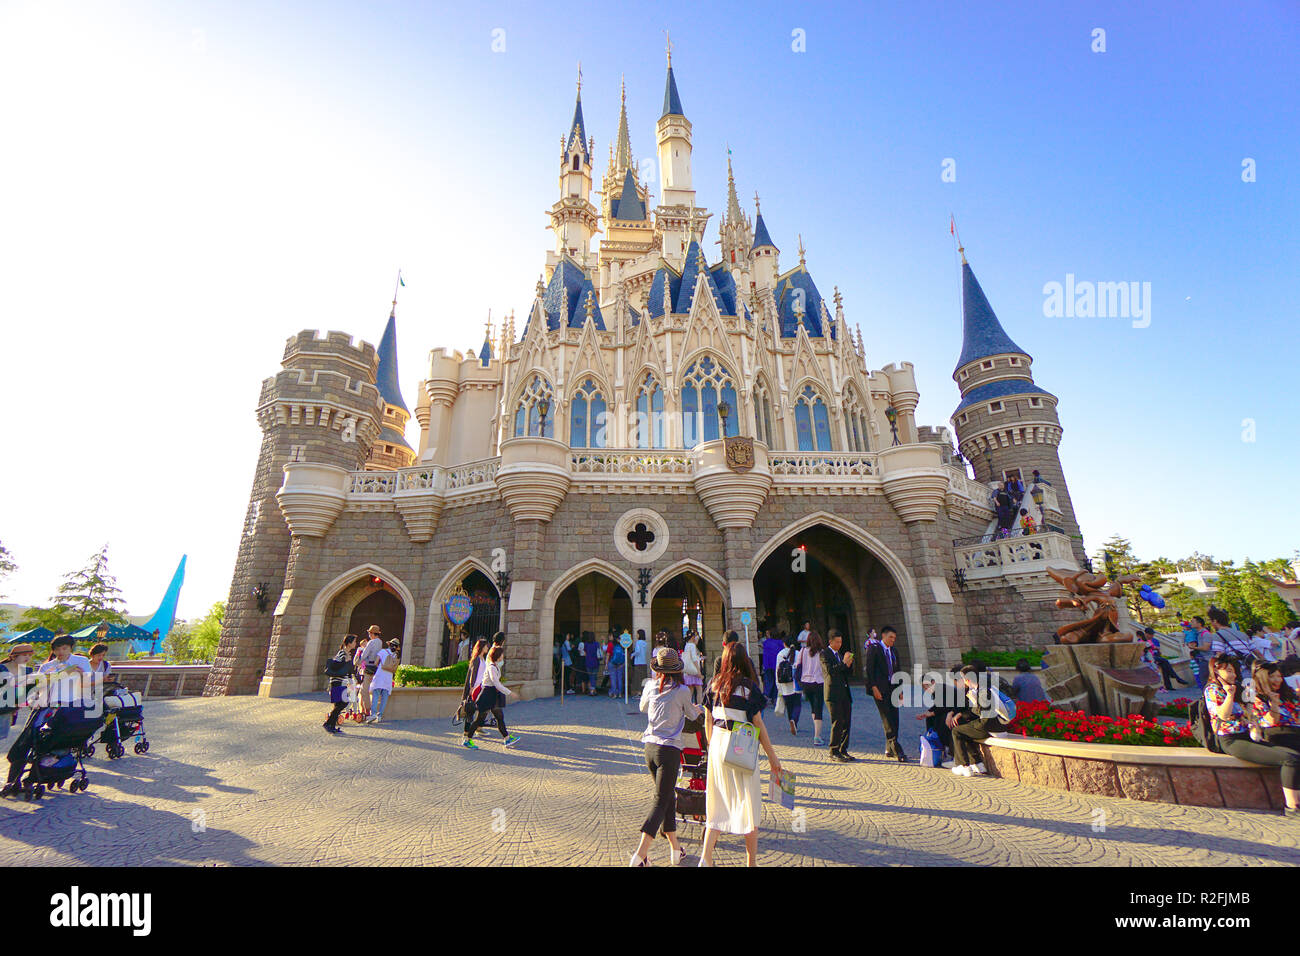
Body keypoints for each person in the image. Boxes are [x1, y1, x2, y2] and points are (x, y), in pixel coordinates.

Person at [698, 644, 783, 867]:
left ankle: (706, 858)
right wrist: (773, 758)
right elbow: (759, 724)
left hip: (717, 743)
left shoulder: (713, 684)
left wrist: (711, 745)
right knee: (749, 802)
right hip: (741, 746)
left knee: (715, 801)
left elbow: (707, 719)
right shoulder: (748, 688)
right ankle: (751, 862)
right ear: (745, 660)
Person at [630, 647, 703, 866]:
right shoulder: (682, 691)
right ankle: (640, 855)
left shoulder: (651, 685)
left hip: (649, 748)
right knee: (661, 800)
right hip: (669, 750)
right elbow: (691, 714)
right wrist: (699, 709)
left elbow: (643, 707)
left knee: (668, 797)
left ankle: (675, 849)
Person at [1205, 654, 1300, 816]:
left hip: (1247, 736)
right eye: (1228, 670)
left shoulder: (1240, 687)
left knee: (1294, 755)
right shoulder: (1212, 689)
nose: (1233, 674)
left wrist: (1251, 712)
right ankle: (1293, 807)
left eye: (1234, 671)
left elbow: (1250, 715)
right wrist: (1229, 695)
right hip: (1230, 740)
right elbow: (1223, 715)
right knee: (1289, 759)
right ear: (1216, 671)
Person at [948, 663, 1010, 777]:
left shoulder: (982, 691)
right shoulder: (983, 687)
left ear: (967, 679)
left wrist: (974, 704)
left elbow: (984, 714)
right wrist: (962, 713)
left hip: (990, 725)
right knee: (965, 730)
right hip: (997, 725)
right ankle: (978, 764)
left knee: (957, 731)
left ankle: (964, 766)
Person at [864, 626, 905, 761]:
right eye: (890, 637)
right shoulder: (874, 649)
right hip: (880, 689)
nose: (893, 640)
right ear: (883, 636)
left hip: (893, 688)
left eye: (894, 638)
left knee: (895, 718)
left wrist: (900, 690)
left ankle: (889, 748)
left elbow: (898, 671)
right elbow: (869, 670)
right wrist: (874, 688)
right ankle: (898, 750)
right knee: (887, 718)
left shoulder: (894, 651)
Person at [465, 645, 519, 748]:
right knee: (479, 720)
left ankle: (507, 738)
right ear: (498, 655)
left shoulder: (495, 666)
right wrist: (510, 693)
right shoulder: (491, 668)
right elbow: (496, 683)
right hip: (487, 695)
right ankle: (467, 739)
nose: (503, 655)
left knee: (499, 717)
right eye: (502, 654)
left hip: (492, 696)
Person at [821, 629, 856, 762]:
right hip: (832, 694)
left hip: (844, 692)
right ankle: (834, 750)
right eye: (837, 641)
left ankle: (843, 749)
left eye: (841, 641)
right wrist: (843, 663)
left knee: (846, 721)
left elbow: (843, 672)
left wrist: (848, 665)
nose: (840, 644)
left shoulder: (839, 654)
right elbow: (831, 671)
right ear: (830, 641)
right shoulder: (824, 654)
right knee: (837, 721)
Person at [1250, 661, 1300, 750]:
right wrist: (1274, 704)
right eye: (1272, 677)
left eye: (1279, 676)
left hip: (1295, 730)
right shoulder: (1256, 697)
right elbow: (1272, 721)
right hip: (1277, 733)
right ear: (1262, 679)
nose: (1278, 680)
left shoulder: (1288, 693)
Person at [0, 644, 36, 749]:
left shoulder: (27, 671)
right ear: (13, 656)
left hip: (8, 710)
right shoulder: (2, 669)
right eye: (24, 655)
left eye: (30, 655)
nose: (27, 658)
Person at [323, 634, 359, 734]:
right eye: (354, 642)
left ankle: (332, 726)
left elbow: (348, 671)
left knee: (338, 705)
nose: (355, 644)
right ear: (349, 643)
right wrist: (345, 661)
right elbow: (335, 665)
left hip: (343, 682)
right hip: (337, 682)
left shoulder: (347, 654)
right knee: (343, 702)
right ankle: (328, 723)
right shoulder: (342, 653)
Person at [797, 630, 826, 745]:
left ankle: (816, 732)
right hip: (818, 682)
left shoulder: (803, 651)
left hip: (806, 682)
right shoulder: (822, 652)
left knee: (813, 707)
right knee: (818, 708)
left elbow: (798, 665)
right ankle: (817, 736)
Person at [461, 638, 490, 746]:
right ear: (482, 647)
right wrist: (472, 688)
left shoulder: (483, 659)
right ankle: (466, 735)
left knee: (484, 710)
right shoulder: (476, 659)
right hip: (475, 690)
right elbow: (472, 675)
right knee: (470, 712)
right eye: (486, 646)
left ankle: (478, 728)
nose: (488, 647)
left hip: (481, 688)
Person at [1142, 626, 1189, 690]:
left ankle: (1169, 685)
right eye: (1150, 634)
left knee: (1165, 666)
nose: (1152, 636)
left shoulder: (1152, 641)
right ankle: (1176, 677)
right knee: (1165, 661)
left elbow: (1157, 650)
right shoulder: (1141, 640)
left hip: (1155, 657)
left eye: (1152, 634)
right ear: (1146, 634)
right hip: (1148, 658)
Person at [367, 639, 400, 724]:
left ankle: (373, 714)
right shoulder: (395, 655)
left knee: (376, 695)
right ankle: (380, 716)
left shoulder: (382, 651)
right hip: (388, 678)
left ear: (389, 644)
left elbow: (376, 662)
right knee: (384, 698)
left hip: (379, 676)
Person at [774, 638, 802, 734]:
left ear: (784, 643)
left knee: (789, 705)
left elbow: (777, 671)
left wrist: (778, 686)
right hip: (796, 682)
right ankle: (794, 721)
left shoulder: (780, 654)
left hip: (785, 684)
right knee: (797, 704)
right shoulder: (798, 653)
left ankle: (791, 721)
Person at [359, 625, 384, 714]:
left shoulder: (371, 642)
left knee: (364, 689)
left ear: (372, 633)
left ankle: (367, 709)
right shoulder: (380, 642)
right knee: (373, 689)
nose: (369, 634)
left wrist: (359, 661)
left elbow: (364, 655)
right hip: (376, 668)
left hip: (368, 667)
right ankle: (371, 708)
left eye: (369, 633)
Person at [1183, 618, 1211, 688]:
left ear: (1199, 623)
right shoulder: (1197, 634)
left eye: (1192, 621)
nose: (1190, 623)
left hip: (1207, 660)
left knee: (1205, 681)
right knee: (1203, 681)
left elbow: (1205, 648)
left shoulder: (1205, 634)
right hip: (1201, 659)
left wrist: (1194, 648)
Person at [760, 629, 784, 704]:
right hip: (777, 665)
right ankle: (775, 697)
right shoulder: (780, 643)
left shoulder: (766, 642)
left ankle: (767, 696)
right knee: (776, 681)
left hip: (768, 665)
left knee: (769, 681)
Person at [681, 631, 703, 704]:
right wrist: (698, 671)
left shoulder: (687, 645)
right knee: (699, 690)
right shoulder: (692, 646)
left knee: (690, 690)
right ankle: (700, 708)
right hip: (694, 670)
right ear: (693, 637)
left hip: (688, 671)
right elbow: (694, 659)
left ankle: (688, 707)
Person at [609, 633, 627, 698]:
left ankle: (614, 693)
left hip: (613, 662)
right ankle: (620, 694)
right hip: (621, 663)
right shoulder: (623, 645)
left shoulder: (611, 644)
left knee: (613, 678)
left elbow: (608, 653)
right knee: (619, 678)